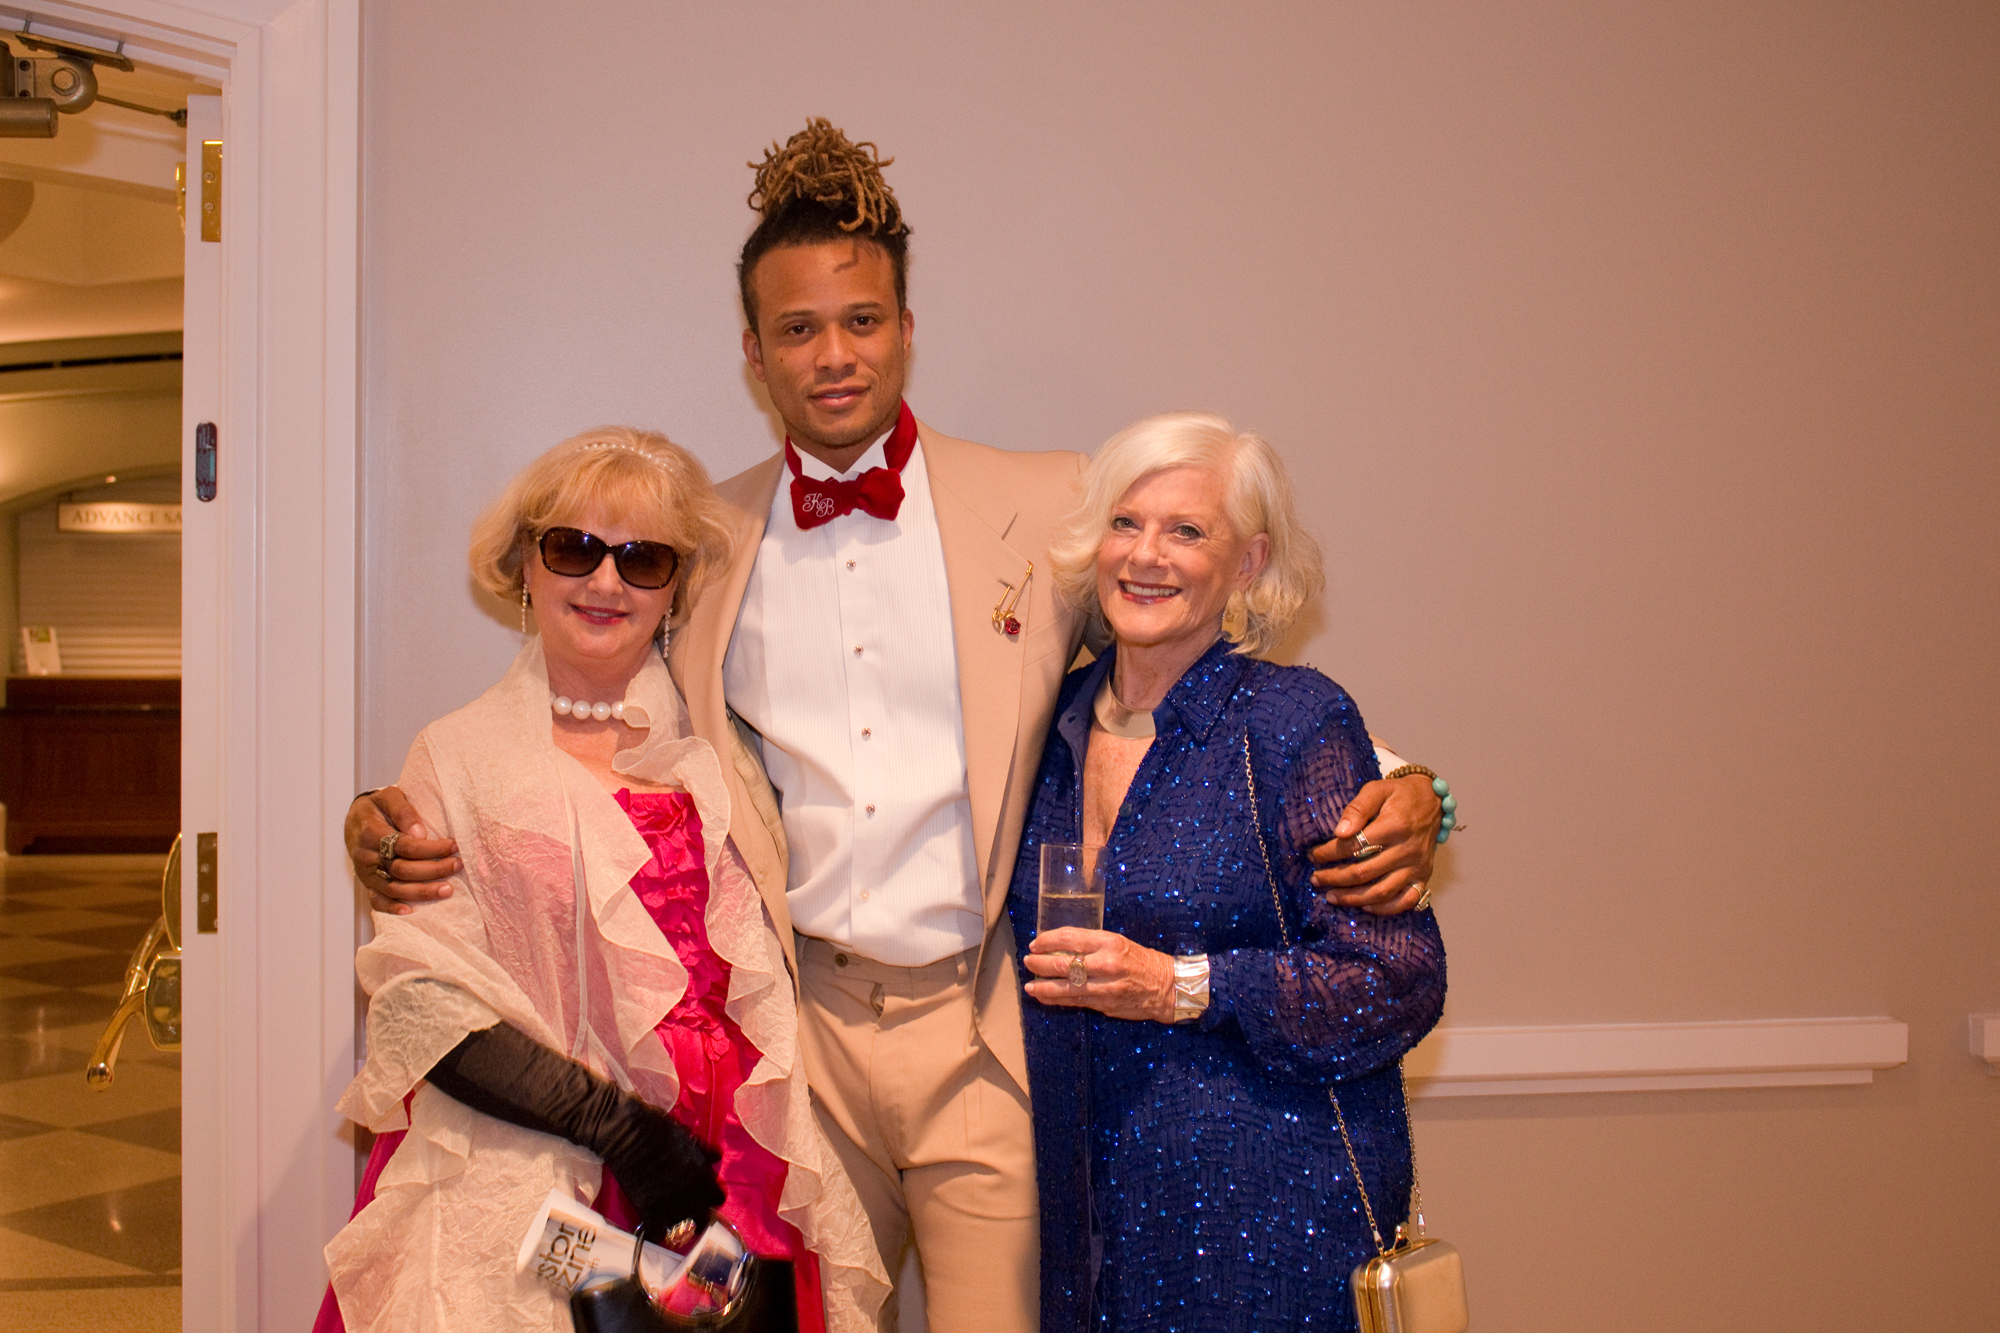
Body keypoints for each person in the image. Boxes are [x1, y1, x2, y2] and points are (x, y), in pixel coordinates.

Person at [344, 121, 1451, 1333]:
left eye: (861, 320)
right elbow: (586, 711)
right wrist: (383, 821)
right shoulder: (699, 541)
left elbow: (1188, 670)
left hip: (983, 1032)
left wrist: (1409, 785)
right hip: (798, 1048)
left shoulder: (1040, 503)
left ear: (906, 330)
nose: (833, 354)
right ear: (754, 352)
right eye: (798, 329)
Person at [316, 428, 888, 1333]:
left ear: (675, 589)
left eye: (644, 558)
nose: (607, 581)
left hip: (729, 1174)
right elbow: (419, 1004)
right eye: (575, 548)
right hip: (534, 1161)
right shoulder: (455, 755)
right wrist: (621, 1132)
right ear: (523, 567)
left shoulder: (724, 752)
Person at [1008, 412, 1447, 1332]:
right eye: (1126, 524)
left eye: (1186, 531)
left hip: (1266, 1220)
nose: (1147, 555)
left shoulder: (1291, 724)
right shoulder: (1047, 726)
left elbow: (1395, 978)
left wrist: (1179, 985)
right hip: (1086, 1223)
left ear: (1246, 565)